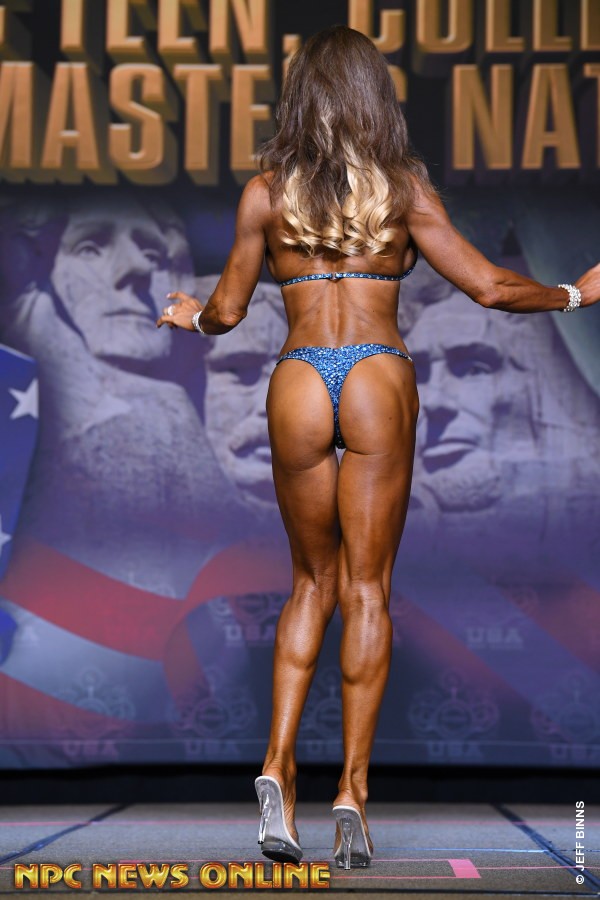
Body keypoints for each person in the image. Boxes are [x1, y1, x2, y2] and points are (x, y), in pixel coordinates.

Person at [157, 25, 600, 870]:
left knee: (309, 584)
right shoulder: (401, 188)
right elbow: (489, 287)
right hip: (375, 375)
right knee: (366, 589)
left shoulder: (265, 194)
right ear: (374, 98)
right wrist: (574, 295)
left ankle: (276, 768)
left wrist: (190, 317)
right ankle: (352, 793)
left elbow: (228, 311)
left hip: (298, 377)